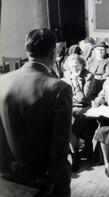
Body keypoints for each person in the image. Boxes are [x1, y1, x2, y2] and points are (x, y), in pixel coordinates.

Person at [0, 29, 72, 196]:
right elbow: (60, 143)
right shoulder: (59, 88)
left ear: (27, 51)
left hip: (7, 176)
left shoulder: (2, 80)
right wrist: (51, 180)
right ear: (54, 53)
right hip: (43, 180)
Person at [63, 54, 98, 161]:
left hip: (86, 106)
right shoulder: (67, 73)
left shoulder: (89, 76)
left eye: (77, 66)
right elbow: (66, 92)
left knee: (79, 116)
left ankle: (76, 149)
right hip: (71, 104)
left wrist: (75, 82)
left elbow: (82, 98)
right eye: (72, 66)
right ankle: (79, 147)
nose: (74, 69)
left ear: (82, 64)